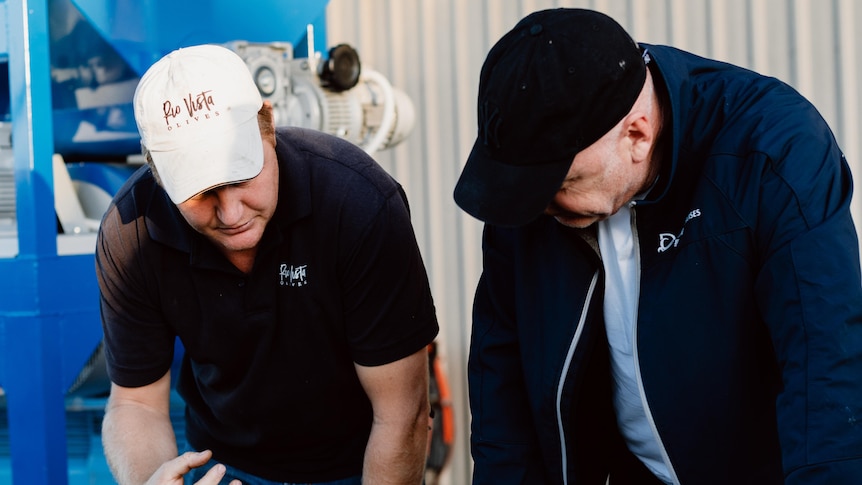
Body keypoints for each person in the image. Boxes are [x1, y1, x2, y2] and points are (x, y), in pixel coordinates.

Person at [454, 8, 862, 485]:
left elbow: (828, 370)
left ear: (637, 134)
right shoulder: (533, 187)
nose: (542, 205)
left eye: (562, 182)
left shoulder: (772, 150)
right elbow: (501, 380)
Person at [95, 44, 439, 485]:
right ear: (158, 173)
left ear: (268, 125)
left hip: (359, 463)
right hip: (222, 466)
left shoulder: (357, 203)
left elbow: (402, 414)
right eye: (201, 193)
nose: (232, 214)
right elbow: (135, 404)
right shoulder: (132, 235)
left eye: (241, 177)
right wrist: (155, 479)